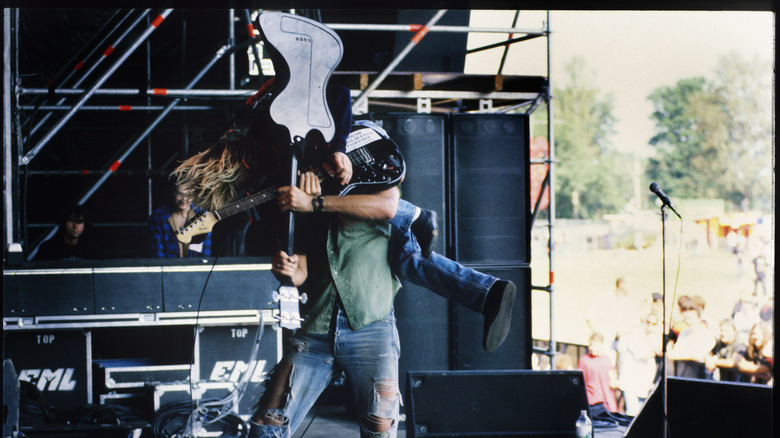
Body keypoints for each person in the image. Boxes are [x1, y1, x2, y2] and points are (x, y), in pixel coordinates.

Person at [173, 89, 516, 352]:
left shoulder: (266, 127)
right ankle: (481, 287)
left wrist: (335, 149)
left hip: (361, 146)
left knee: (399, 242)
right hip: (345, 222)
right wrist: (295, 260)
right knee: (405, 256)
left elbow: (336, 91)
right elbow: (304, 251)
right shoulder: (267, 201)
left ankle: (414, 220)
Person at [248, 173, 403, 437]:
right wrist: (286, 269)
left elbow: (388, 206)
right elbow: (300, 274)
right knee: (268, 424)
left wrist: (316, 203)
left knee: (380, 428)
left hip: (371, 325)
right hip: (317, 326)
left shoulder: (373, 173)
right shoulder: (302, 187)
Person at [585, 277, 642, 363]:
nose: (632, 289)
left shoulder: (631, 303)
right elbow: (589, 318)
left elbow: (636, 323)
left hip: (623, 343)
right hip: (606, 343)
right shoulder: (603, 299)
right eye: (630, 285)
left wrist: (624, 332)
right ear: (621, 285)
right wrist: (600, 335)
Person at [147, 182, 212, 258]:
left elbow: (206, 253)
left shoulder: (203, 217)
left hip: (195, 267)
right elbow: (157, 253)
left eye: (188, 195)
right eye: (180, 194)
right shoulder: (159, 217)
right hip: (168, 267)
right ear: (173, 192)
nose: (184, 199)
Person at [616, 313, 660, 416]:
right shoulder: (635, 335)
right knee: (632, 414)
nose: (650, 325)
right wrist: (654, 351)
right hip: (631, 382)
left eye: (654, 323)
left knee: (640, 414)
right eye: (648, 322)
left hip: (643, 383)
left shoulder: (651, 337)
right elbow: (643, 355)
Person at [666, 295, 715, 379]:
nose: (689, 321)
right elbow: (676, 351)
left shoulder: (706, 334)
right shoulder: (683, 332)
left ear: (699, 318)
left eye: (692, 318)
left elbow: (698, 355)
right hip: (681, 371)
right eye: (686, 319)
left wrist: (677, 356)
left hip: (698, 373)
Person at [578, 332, 619, 413]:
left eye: (595, 345)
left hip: (607, 401)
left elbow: (612, 379)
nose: (592, 348)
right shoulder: (584, 360)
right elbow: (581, 382)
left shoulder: (606, 359)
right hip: (592, 402)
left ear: (601, 345)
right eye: (591, 344)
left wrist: (614, 381)